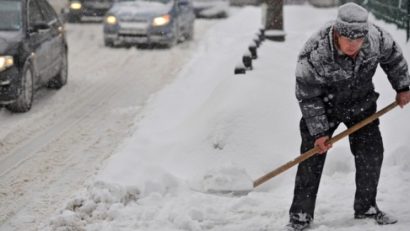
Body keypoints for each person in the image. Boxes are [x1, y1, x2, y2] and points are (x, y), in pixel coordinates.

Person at [287, 2, 410, 231]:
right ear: (337, 32)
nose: (353, 45)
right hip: (324, 107)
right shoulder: (315, 51)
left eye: (358, 40)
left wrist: (403, 87)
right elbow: (307, 94)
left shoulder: (375, 38)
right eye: (348, 39)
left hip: (361, 104)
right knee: (311, 158)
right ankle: (300, 217)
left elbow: (393, 58)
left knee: (372, 152)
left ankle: (366, 208)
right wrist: (320, 132)